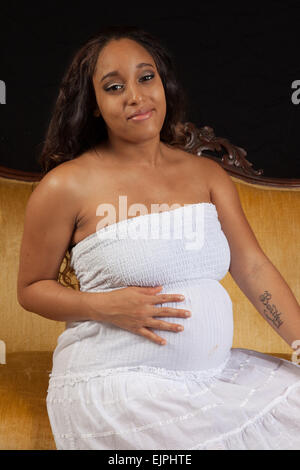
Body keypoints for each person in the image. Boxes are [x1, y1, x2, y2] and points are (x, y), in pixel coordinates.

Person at [17, 25, 300, 450]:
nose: (135, 95)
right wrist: (103, 306)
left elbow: (252, 266)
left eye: (146, 77)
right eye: (114, 87)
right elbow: (30, 289)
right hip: (116, 387)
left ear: (162, 84)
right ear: (94, 105)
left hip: (209, 379)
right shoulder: (66, 186)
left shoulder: (206, 175)